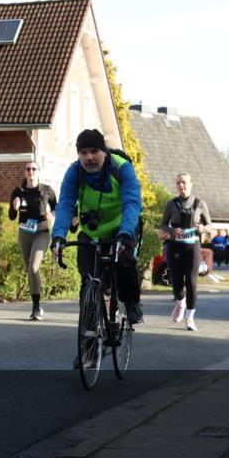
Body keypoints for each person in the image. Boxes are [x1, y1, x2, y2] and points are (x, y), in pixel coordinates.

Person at [51, 129, 144, 368]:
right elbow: (64, 205)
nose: (89, 157)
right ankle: (90, 349)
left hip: (122, 226)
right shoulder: (74, 173)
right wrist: (58, 236)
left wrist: (125, 233)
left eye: (94, 151)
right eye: (83, 153)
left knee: (124, 264)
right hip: (91, 232)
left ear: (104, 152)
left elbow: (133, 202)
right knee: (88, 285)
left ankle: (131, 302)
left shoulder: (121, 168)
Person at [160, 173, 211, 331]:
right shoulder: (171, 204)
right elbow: (163, 224)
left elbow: (209, 225)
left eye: (184, 182)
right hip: (175, 247)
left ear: (191, 184)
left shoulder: (200, 204)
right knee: (176, 282)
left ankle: (190, 318)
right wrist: (172, 230)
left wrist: (203, 228)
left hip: (192, 246)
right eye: (178, 183)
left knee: (191, 282)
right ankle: (180, 304)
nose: (181, 186)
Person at [9, 160, 58, 321]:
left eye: (34, 169)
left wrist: (53, 216)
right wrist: (14, 207)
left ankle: (37, 307)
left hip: (42, 232)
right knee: (29, 270)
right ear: (25, 172)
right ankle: (35, 305)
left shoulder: (46, 190)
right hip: (25, 232)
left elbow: (57, 208)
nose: (31, 171)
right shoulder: (18, 191)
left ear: (38, 172)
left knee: (34, 267)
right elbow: (11, 216)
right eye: (28, 169)